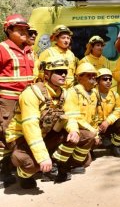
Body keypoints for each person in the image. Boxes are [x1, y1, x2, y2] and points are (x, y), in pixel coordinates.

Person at [5, 56, 80, 189]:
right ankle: (22, 175)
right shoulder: (32, 93)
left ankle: (54, 165)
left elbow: (70, 116)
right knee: (32, 164)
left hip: (43, 134)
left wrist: (73, 129)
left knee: (76, 137)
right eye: (58, 71)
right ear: (46, 74)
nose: (63, 74)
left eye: (65, 71)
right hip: (21, 138)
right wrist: (42, 157)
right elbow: (30, 127)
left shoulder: (65, 94)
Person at [0, 14, 34, 187]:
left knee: (26, 134)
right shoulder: (2, 49)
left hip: (27, 101)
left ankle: (23, 170)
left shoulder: (29, 50)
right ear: (8, 30)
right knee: (7, 136)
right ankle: (5, 171)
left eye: (25, 29)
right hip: (8, 101)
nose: (24, 31)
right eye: (19, 29)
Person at [51, 62, 97, 179]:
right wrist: (93, 131)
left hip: (87, 130)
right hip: (73, 129)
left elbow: (95, 117)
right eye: (88, 75)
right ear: (79, 77)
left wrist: (96, 130)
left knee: (86, 162)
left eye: (94, 75)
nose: (92, 78)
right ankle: (56, 162)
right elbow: (74, 116)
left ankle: (73, 164)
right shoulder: (72, 92)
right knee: (89, 136)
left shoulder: (93, 94)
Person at [92, 68, 120, 158]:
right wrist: (97, 128)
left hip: (108, 124)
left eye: (110, 79)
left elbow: (119, 110)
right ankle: (90, 150)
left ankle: (115, 147)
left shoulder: (114, 94)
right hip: (95, 126)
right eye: (104, 79)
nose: (108, 81)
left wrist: (108, 121)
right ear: (97, 81)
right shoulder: (91, 94)